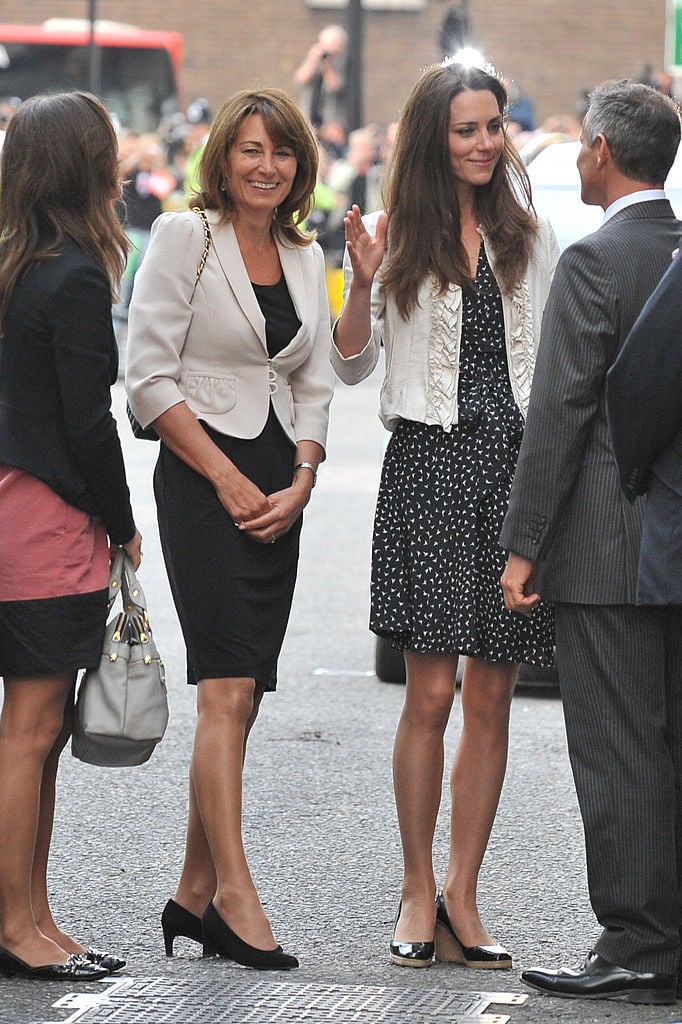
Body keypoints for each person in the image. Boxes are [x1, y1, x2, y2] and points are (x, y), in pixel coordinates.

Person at [331, 62, 559, 970]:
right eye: (466, 129)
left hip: (512, 472)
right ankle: (416, 887)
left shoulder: (528, 238)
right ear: (434, 136)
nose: (483, 143)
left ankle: (465, 892)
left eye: (493, 127)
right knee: (429, 692)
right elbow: (351, 367)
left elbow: (554, 373)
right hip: (428, 468)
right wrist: (357, 282)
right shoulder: (396, 236)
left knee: (495, 695)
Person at [126, 88, 334, 970]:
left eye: (281, 151)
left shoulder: (304, 250)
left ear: (299, 164)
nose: (265, 165)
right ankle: (238, 898)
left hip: (277, 489)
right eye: (250, 149)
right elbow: (147, 378)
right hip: (204, 481)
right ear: (224, 155)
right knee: (225, 687)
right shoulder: (183, 235)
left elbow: (317, 382)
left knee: (244, 700)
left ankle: (192, 894)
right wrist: (225, 478)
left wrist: (302, 477)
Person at [499, 80, 682, 1005]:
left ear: (603, 148)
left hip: (611, 548)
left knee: (617, 750)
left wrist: (524, 545)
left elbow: (561, 417)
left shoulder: (595, 261)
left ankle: (638, 942)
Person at [0, 92, 142, 980]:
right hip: (47, 517)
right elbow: (91, 423)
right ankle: (16, 927)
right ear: (87, 165)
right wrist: (125, 526)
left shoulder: (12, 264)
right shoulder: (79, 274)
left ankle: (33, 912)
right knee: (32, 728)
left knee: (37, 731)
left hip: (9, 503)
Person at [294, 24, 348, 130]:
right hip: (309, 118)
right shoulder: (313, 60)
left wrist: (327, 65)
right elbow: (300, 80)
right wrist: (312, 59)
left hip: (331, 122)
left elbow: (335, 87)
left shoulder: (342, 63)